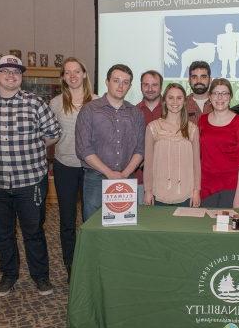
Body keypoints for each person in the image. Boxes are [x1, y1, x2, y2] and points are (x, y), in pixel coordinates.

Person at [0, 55, 61, 297]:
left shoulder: (35, 103)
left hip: (30, 181)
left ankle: (40, 277)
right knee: (3, 233)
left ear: (21, 76)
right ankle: (8, 275)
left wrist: (31, 150)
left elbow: (53, 133)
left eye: (16, 72)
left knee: (34, 232)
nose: (11, 75)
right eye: (6, 71)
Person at [75, 63, 145, 221]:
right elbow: (83, 149)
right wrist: (109, 173)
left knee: (122, 228)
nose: (121, 86)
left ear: (130, 86)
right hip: (96, 179)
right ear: (107, 82)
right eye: (116, 80)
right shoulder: (89, 110)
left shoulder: (136, 114)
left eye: (125, 82)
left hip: (126, 179)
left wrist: (124, 175)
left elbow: (140, 149)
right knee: (94, 227)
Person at [49, 57, 97, 282]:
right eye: (67, 72)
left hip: (92, 168)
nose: (73, 76)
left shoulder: (97, 102)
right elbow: (49, 135)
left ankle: (91, 262)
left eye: (77, 71)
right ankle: (71, 266)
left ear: (85, 74)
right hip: (65, 167)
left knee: (92, 219)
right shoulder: (55, 103)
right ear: (63, 77)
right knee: (67, 220)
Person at [144, 83, 201, 207]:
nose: (175, 101)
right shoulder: (153, 127)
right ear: (164, 101)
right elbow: (148, 164)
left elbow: (196, 164)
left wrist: (196, 191)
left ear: (185, 102)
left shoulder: (192, 129)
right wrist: (148, 191)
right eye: (170, 97)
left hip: (186, 194)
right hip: (158, 193)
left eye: (179, 98)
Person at [198, 78, 239, 208]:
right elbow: (198, 156)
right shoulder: (202, 121)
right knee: (206, 227)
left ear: (230, 97)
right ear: (209, 97)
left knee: (226, 228)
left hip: (231, 189)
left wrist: (238, 196)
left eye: (224, 93)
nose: (220, 97)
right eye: (216, 93)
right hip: (205, 188)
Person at [135, 70, 164, 203]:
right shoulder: (132, 113)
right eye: (146, 85)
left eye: (154, 85)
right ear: (141, 86)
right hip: (140, 179)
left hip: (168, 179)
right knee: (143, 221)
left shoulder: (173, 111)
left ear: (161, 87)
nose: (150, 89)